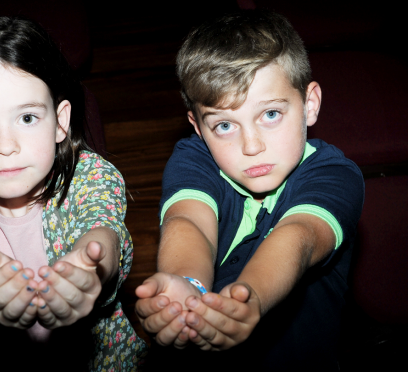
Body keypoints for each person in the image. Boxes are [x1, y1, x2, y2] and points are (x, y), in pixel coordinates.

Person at [0, 16, 146, 371]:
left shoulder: (90, 177)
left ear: (61, 121)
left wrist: (89, 269)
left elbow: (102, 231)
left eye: (27, 118)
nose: (5, 146)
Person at [135, 10, 364, 371]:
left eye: (270, 115)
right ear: (197, 126)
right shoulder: (193, 159)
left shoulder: (335, 175)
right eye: (225, 125)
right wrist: (188, 287)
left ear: (310, 104)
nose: (252, 145)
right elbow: (188, 223)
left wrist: (250, 298)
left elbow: (298, 237)